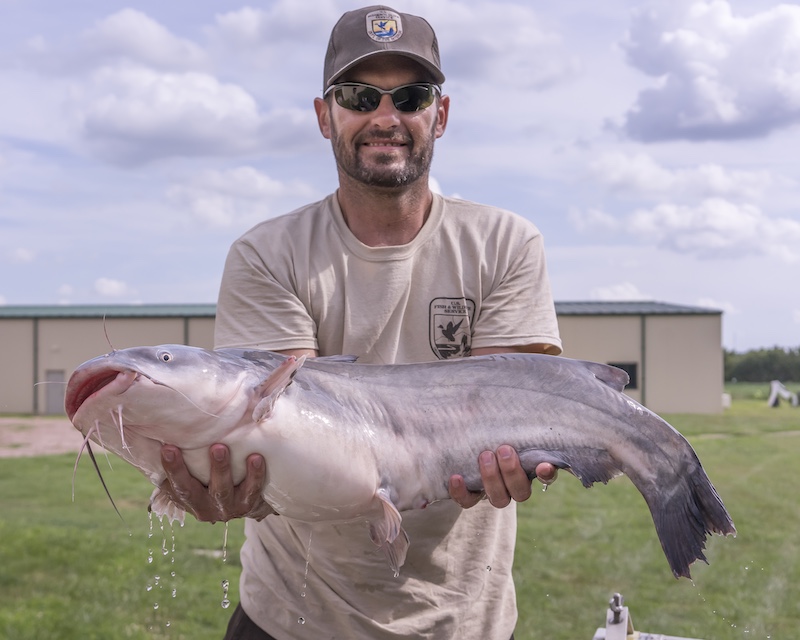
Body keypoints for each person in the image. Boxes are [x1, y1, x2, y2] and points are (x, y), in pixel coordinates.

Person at [159, 6, 563, 639]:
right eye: (357, 96)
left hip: (464, 621)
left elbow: (511, 407)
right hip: (292, 618)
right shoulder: (268, 254)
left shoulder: (505, 243)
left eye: (410, 96)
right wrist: (230, 475)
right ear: (326, 117)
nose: (386, 117)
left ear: (441, 114)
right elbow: (293, 434)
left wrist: (510, 455)